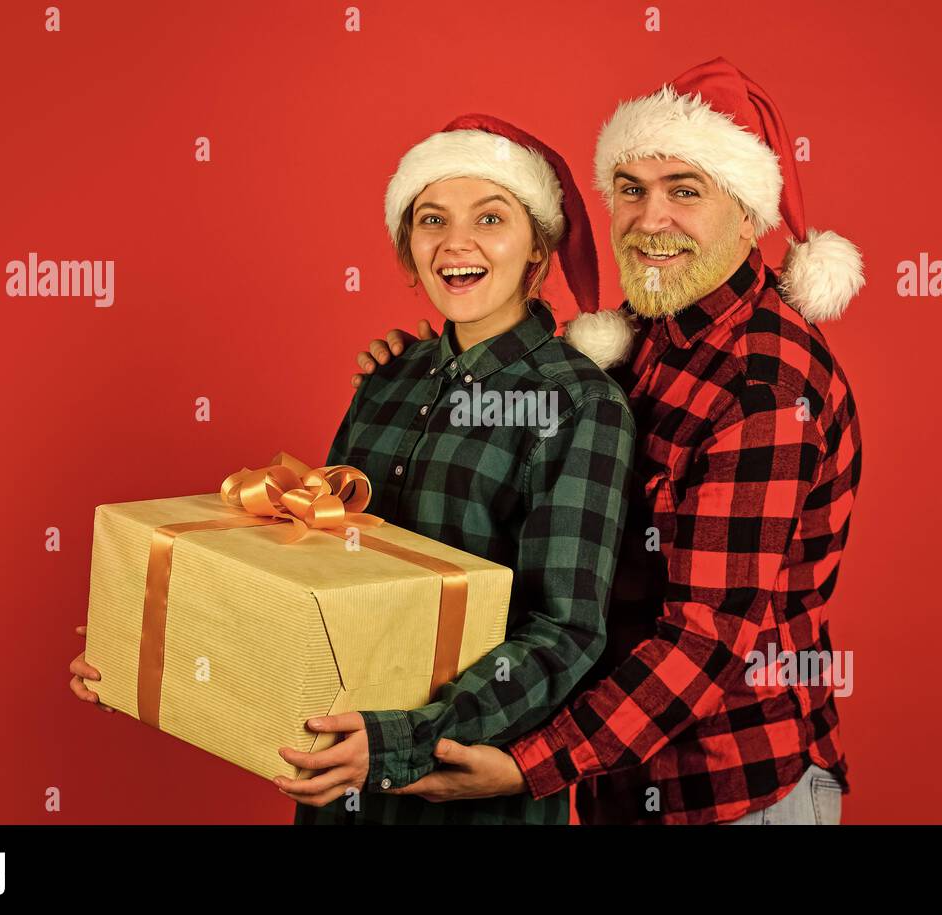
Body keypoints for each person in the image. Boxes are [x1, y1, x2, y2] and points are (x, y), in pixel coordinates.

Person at [71, 114, 638, 826]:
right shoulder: (388, 378)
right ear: (409, 249)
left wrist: (401, 740)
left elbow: (565, 631)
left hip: (466, 795)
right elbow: (319, 570)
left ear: (537, 250)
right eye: (432, 219)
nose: (456, 242)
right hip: (340, 791)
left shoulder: (579, 403)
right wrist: (147, 641)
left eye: (490, 217)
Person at [350, 56, 866, 825]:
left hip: (733, 784)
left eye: (684, 191)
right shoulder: (646, 332)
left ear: (751, 213)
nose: (649, 219)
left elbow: (702, 643)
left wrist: (525, 765)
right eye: (631, 190)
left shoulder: (766, 389)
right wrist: (436, 376)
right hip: (615, 769)